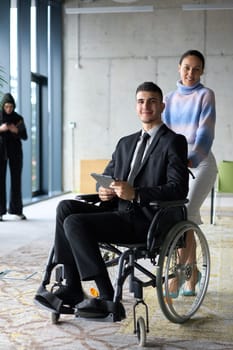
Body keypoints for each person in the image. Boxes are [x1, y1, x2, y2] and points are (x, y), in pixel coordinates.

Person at [35, 82, 189, 317]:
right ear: (136, 106)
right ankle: (73, 287)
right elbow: (107, 177)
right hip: (118, 212)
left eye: (151, 101)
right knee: (65, 207)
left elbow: (178, 189)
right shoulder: (125, 142)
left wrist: (136, 193)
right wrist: (103, 190)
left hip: (147, 220)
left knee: (75, 223)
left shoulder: (173, 142)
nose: (145, 106)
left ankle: (107, 297)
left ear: (162, 106)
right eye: (140, 101)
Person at [163, 50, 217, 296]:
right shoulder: (169, 99)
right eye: (186, 67)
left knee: (185, 214)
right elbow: (163, 135)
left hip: (200, 162)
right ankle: (191, 275)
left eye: (196, 69)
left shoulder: (205, 95)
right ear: (179, 67)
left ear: (202, 71)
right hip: (176, 166)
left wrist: (188, 160)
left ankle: (176, 276)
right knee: (180, 219)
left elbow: (205, 134)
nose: (190, 73)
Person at [0, 93, 28, 221]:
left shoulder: (18, 118)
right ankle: (0, 212)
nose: (9, 109)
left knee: (16, 181)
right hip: (1, 153)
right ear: (3, 106)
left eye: (11, 106)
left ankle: (16, 210)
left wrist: (16, 131)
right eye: (6, 106)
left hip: (15, 153)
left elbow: (25, 136)